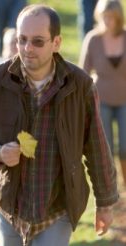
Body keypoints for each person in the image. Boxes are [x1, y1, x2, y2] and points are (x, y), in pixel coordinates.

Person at [0, 4, 119, 246]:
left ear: (56, 42)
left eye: (37, 41)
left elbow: (96, 146)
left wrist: (105, 202)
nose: (27, 48)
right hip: (10, 206)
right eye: (21, 40)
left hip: (57, 207)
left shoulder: (79, 86)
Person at [79, 0, 126, 186]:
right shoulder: (93, 39)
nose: (107, 21)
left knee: (124, 148)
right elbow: (82, 72)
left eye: (111, 18)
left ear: (118, 18)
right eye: (104, 17)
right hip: (101, 100)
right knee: (105, 149)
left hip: (124, 100)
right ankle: (110, 187)